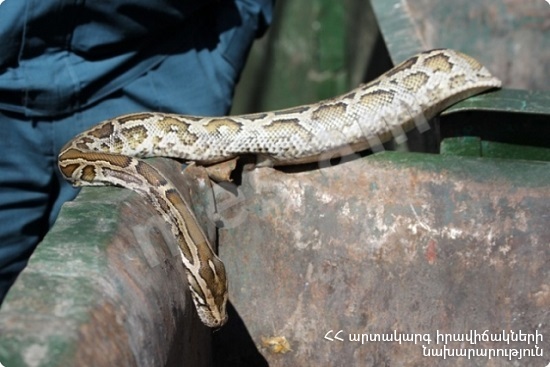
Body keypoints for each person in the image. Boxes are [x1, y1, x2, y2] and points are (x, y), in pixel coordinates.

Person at [0, 0, 274, 303]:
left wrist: (225, 49)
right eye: (202, 298)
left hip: (157, 69)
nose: (214, 316)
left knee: (102, 295)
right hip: (8, 94)